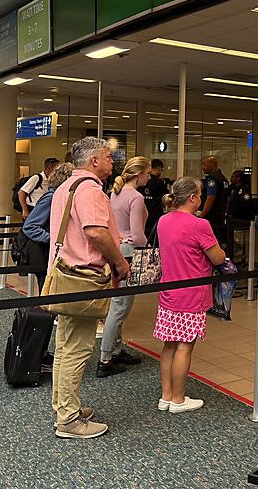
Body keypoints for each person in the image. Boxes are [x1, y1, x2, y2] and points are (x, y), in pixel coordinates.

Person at [50, 136, 130, 439]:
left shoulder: (66, 186)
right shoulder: (91, 189)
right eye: (109, 157)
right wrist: (120, 263)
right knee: (77, 348)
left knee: (65, 344)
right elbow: (95, 231)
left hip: (65, 272)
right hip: (83, 275)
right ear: (94, 160)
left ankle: (64, 406)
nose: (113, 162)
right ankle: (69, 420)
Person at [155, 177, 226, 413]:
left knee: (169, 345)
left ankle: (166, 395)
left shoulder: (163, 221)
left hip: (168, 291)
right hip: (192, 293)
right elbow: (217, 257)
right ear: (193, 198)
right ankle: (178, 398)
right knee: (185, 345)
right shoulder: (199, 225)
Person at [97, 156, 151, 378]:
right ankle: (105, 358)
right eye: (148, 172)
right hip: (129, 252)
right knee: (120, 309)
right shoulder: (136, 197)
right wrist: (150, 249)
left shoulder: (115, 193)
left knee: (116, 304)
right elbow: (137, 234)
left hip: (116, 248)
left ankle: (116, 350)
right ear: (139, 175)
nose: (150, 176)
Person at [22, 162, 75, 291]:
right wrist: (54, 239)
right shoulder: (51, 198)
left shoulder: (59, 197)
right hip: (46, 254)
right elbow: (30, 226)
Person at [197, 155, 229, 244]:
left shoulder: (212, 179)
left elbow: (210, 198)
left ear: (212, 164)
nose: (202, 167)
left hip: (212, 216)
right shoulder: (223, 178)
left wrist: (202, 214)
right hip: (220, 215)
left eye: (204, 164)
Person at [139, 159, 169, 235]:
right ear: (158, 169)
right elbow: (166, 198)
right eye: (161, 170)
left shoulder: (140, 182)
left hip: (141, 216)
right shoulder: (159, 182)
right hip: (155, 217)